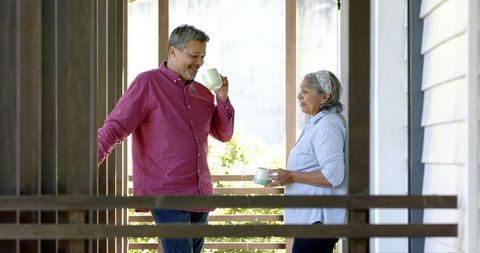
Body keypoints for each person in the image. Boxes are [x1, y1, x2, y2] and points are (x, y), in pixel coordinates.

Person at [97, 24, 235, 253]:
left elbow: (224, 133)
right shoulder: (148, 83)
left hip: (200, 195)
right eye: (193, 55)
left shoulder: (202, 94)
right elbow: (115, 128)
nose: (199, 63)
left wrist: (222, 98)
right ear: (173, 52)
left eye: (202, 56)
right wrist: (83, 167)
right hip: (167, 192)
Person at [268, 70, 346, 253]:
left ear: (324, 97)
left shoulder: (328, 126)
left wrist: (291, 176)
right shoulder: (317, 123)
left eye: (305, 91)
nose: (299, 96)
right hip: (311, 221)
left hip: (317, 221)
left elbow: (333, 176)